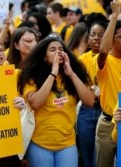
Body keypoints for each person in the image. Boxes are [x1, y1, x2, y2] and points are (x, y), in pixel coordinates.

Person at [17, 36, 95, 167]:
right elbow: (35, 103)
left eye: (61, 49)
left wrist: (71, 74)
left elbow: (90, 102)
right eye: (52, 50)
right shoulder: (32, 76)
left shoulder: (72, 75)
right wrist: (53, 74)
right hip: (39, 143)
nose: (58, 52)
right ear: (44, 57)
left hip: (67, 143)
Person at [95, 0, 121, 166]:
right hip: (107, 125)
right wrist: (114, 16)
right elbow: (103, 50)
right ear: (112, 39)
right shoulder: (106, 61)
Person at [76, 13, 108, 167]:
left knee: (101, 159)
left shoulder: (112, 59)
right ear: (88, 39)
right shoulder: (81, 60)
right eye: (93, 35)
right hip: (87, 111)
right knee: (87, 158)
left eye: (101, 35)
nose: (96, 38)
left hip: (107, 110)